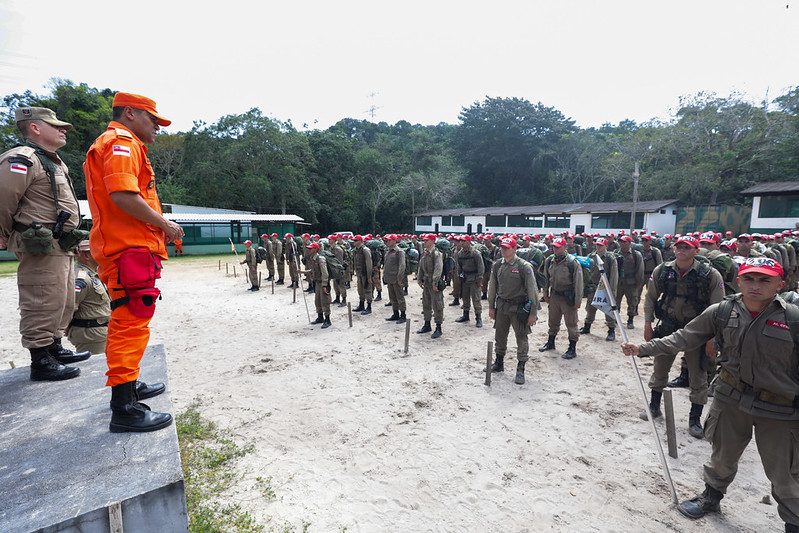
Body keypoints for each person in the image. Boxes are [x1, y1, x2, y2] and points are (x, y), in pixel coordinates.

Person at [622, 258, 799, 531]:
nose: (756, 285)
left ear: (780, 284)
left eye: (765, 280)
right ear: (738, 281)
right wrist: (643, 348)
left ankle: (793, 521)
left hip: (779, 409)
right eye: (749, 279)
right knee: (721, 456)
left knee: (786, 472)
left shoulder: (793, 318)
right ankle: (711, 497)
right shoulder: (723, 311)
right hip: (730, 399)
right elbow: (684, 337)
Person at [84, 92, 180, 433]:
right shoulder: (121, 142)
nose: (157, 126)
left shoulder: (119, 143)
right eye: (152, 119)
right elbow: (123, 195)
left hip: (129, 249)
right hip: (129, 249)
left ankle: (129, 384)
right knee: (131, 320)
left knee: (128, 320)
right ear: (129, 114)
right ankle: (124, 408)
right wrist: (164, 223)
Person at [0, 106, 91, 381]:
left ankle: (53, 347)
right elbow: (3, 199)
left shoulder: (52, 161)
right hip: (39, 244)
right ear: (35, 128)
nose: (63, 129)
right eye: (56, 125)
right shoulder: (22, 159)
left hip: (60, 243)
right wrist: (3, 232)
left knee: (60, 299)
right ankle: (40, 360)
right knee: (40, 298)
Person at [639, 235, 725, 438]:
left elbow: (718, 309)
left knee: (698, 375)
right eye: (679, 247)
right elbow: (650, 297)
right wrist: (647, 323)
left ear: (696, 251)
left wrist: (713, 338)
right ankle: (654, 406)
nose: (681, 250)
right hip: (668, 326)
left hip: (697, 331)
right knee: (660, 368)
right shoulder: (663, 271)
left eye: (687, 247)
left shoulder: (709, 275)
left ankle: (694, 419)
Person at [488, 237, 539, 384]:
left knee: (521, 337)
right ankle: (499, 362)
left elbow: (533, 291)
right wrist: (491, 307)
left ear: (514, 249)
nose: (503, 250)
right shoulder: (498, 265)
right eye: (502, 247)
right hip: (502, 306)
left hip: (519, 308)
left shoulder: (524, 267)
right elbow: (492, 288)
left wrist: (533, 313)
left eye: (507, 247)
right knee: (500, 335)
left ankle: (521, 368)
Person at [539, 238, 584, 359]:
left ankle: (572, 348)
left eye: (558, 247)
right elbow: (545, 279)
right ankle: (550, 342)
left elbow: (579, 283)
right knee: (553, 321)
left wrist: (577, 301)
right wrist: (545, 294)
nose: (555, 249)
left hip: (568, 297)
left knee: (571, 323)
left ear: (565, 247)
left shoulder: (572, 262)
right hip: (555, 295)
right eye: (554, 246)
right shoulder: (550, 260)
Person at [68, 240, 110, 354]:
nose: (102, 254)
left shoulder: (93, 274)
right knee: (98, 368)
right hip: (91, 335)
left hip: (99, 333)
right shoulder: (81, 278)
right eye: (98, 251)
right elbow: (69, 307)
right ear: (87, 255)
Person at [580, 237, 619, 341]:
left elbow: (614, 275)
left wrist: (612, 290)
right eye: (597, 245)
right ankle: (587, 326)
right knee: (590, 307)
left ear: (606, 246)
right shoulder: (591, 256)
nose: (598, 247)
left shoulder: (610, 258)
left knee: (608, 309)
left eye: (600, 245)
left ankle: (611, 330)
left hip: (605, 287)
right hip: (593, 286)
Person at [454, 235, 485, 327]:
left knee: (476, 299)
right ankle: (465, 315)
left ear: (468, 241)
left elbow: (481, 267)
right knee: (465, 297)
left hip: (474, 279)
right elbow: (459, 266)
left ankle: (478, 318)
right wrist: (459, 275)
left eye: (463, 241)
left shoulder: (475, 253)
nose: (461, 243)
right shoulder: (460, 253)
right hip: (465, 278)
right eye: (461, 241)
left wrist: (479, 280)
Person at [417, 233, 444, 338]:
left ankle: (438, 327)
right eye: (424, 240)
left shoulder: (436, 254)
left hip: (433, 283)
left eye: (426, 240)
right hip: (426, 282)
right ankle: (427, 324)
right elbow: (421, 266)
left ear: (432, 241)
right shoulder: (425, 253)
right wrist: (419, 279)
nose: (424, 242)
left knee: (437, 305)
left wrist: (435, 282)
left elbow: (438, 268)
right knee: (426, 303)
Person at [615, 235, 644, 329]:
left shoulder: (636, 254)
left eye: (624, 242)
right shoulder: (615, 253)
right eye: (621, 242)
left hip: (631, 282)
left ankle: (630, 320)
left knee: (632, 301)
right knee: (615, 301)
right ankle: (615, 319)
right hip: (618, 282)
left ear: (629, 243)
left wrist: (639, 282)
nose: (622, 244)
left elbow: (640, 269)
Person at [303, 242, 331, 328]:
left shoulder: (320, 259)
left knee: (324, 301)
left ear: (315, 249)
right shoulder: (313, 259)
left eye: (310, 248)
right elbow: (312, 270)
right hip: (317, 283)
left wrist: (325, 284)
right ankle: (320, 317)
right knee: (317, 301)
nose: (309, 250)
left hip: (322, 283)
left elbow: (325, 273)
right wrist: (303, 272)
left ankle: (327, 319)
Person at [382, 234, 407, 324]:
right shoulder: (387, 251)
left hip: (396, 279)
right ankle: (395, 313)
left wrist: (400, 278)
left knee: (399, 297)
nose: (387, 242)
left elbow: (402, 265)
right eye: (387, 241)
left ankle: (403, 315)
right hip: (390, 278)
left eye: (389, 240)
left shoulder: (399, 252)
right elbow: (386, 265)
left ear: (394, 240)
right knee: (392, 297)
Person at [352, 235, 373, 315]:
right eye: (354, 240)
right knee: (360, 289)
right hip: (359, 273)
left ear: (361, 241)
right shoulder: (355, 250)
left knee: (367, 289)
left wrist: (369, 276)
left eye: (356, 240)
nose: (354, 242)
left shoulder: (365, 250)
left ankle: (369, 306)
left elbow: (369, 263)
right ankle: (361, 304)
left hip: (365, 273)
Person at [329, 234, 347, 306]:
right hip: (334, 270)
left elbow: (339, 262)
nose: (329, 240)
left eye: (330, 239)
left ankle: (344, 299)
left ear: (334, 240)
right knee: (335, 285)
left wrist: (338, 271)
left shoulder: (338, 249)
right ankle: (337, 298)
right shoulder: (331, 248)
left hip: (339, 270)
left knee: (341, 285)